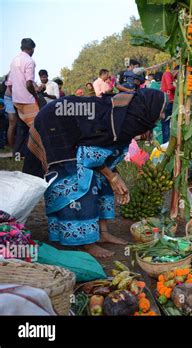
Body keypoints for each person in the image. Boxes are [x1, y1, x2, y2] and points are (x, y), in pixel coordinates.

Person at [23, 89, 166, 258]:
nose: (163, 116)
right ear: (147, 109)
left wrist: (111, 175)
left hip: (76, 133)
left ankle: (102, 232)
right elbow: (89, 154)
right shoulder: (123, 118)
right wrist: (112, 176)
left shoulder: (131, 117)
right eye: (161, 111)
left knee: (101, 180)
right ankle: (86, 241)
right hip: (55, 125)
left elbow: (105, 151)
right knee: (81, 181)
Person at [7, 38, 39, 157]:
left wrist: (16, 94)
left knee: (21, 130)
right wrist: (34, 95)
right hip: (27, 101)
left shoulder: (13, 60)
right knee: (37, 129)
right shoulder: (29, 61)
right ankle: (36, 156)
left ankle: (17, 156)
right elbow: (29, 83)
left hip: (16, 100)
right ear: (31, 49)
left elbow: (9, 84)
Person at [160, 66, 179, 143]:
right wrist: (178, 87)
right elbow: (170, 87)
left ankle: (172, 143)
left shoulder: (173, 79)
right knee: (166, 125)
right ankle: (166, 144)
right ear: (176, 70)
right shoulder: (167, 74)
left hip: (172, 103)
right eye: (179, 73)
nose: (178, 76)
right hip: (166, 103)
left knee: (173, 124)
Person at [2, 74, 18, 150]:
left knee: (22, 122)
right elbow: (10, 85)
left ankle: (19, 145)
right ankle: (13, 148)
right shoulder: (12, 71)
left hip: (20, 98)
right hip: (10, 97)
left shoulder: (26, 70)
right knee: (12, 122)